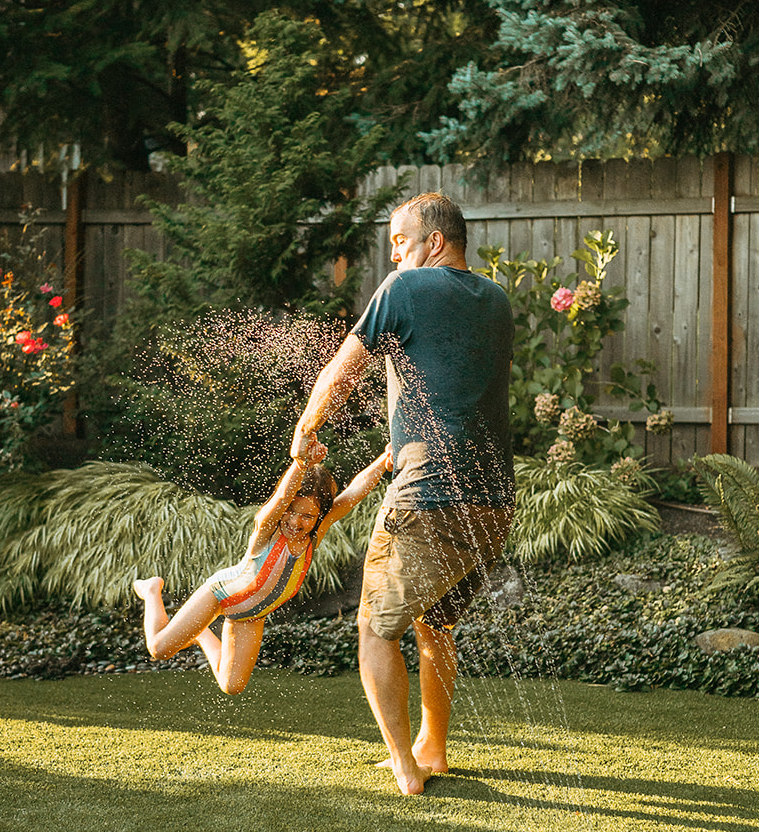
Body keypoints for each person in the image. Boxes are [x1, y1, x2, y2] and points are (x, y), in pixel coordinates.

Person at [290, 192, 514, 795]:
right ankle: (432, 747)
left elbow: (344, 370)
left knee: (374, 629)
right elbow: (451, 386)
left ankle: (405, 767)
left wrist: (306, 431)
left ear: (434, 241)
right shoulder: (496, 300)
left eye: (400, 240)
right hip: (492, 502)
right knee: (435, 624)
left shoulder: (405, 289)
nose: (393, 255)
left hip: (426, 497)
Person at [134, 444, 392, 694]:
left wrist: (384, 460)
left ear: (319, 516)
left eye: (307, 516)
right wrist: (301, 464)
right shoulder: (267, 529)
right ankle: (151, 589)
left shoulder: (314, 535)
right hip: (220, 594)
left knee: (231, 686)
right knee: (159, 648)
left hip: (252, 615)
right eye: (290, 511)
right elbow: (281, 497)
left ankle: (201, 633)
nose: (295, 521)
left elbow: (353, 494)